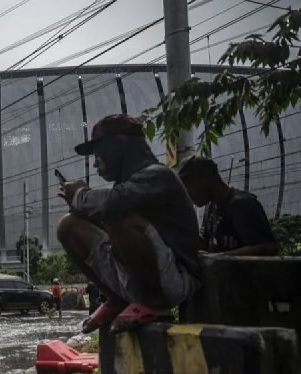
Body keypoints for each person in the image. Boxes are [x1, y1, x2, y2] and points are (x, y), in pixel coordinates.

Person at [56, 114, 201, 334]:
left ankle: (154, 305)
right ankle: (116, 299)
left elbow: (115, 204)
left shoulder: (158, 176)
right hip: (138, 276)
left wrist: (81, 197)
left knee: (119, 216)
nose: (96, 162)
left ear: (119, 146)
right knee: (68, 226)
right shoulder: (127, 186)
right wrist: (81, 209)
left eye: (99, 153)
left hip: (174, 279)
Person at [177, 155, 280, 256]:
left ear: (207, 176)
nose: (186, 193)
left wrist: (219, 257)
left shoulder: (242, 204)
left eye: (188, 185)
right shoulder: (211, 208)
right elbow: (208, 247)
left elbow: (268, 247)